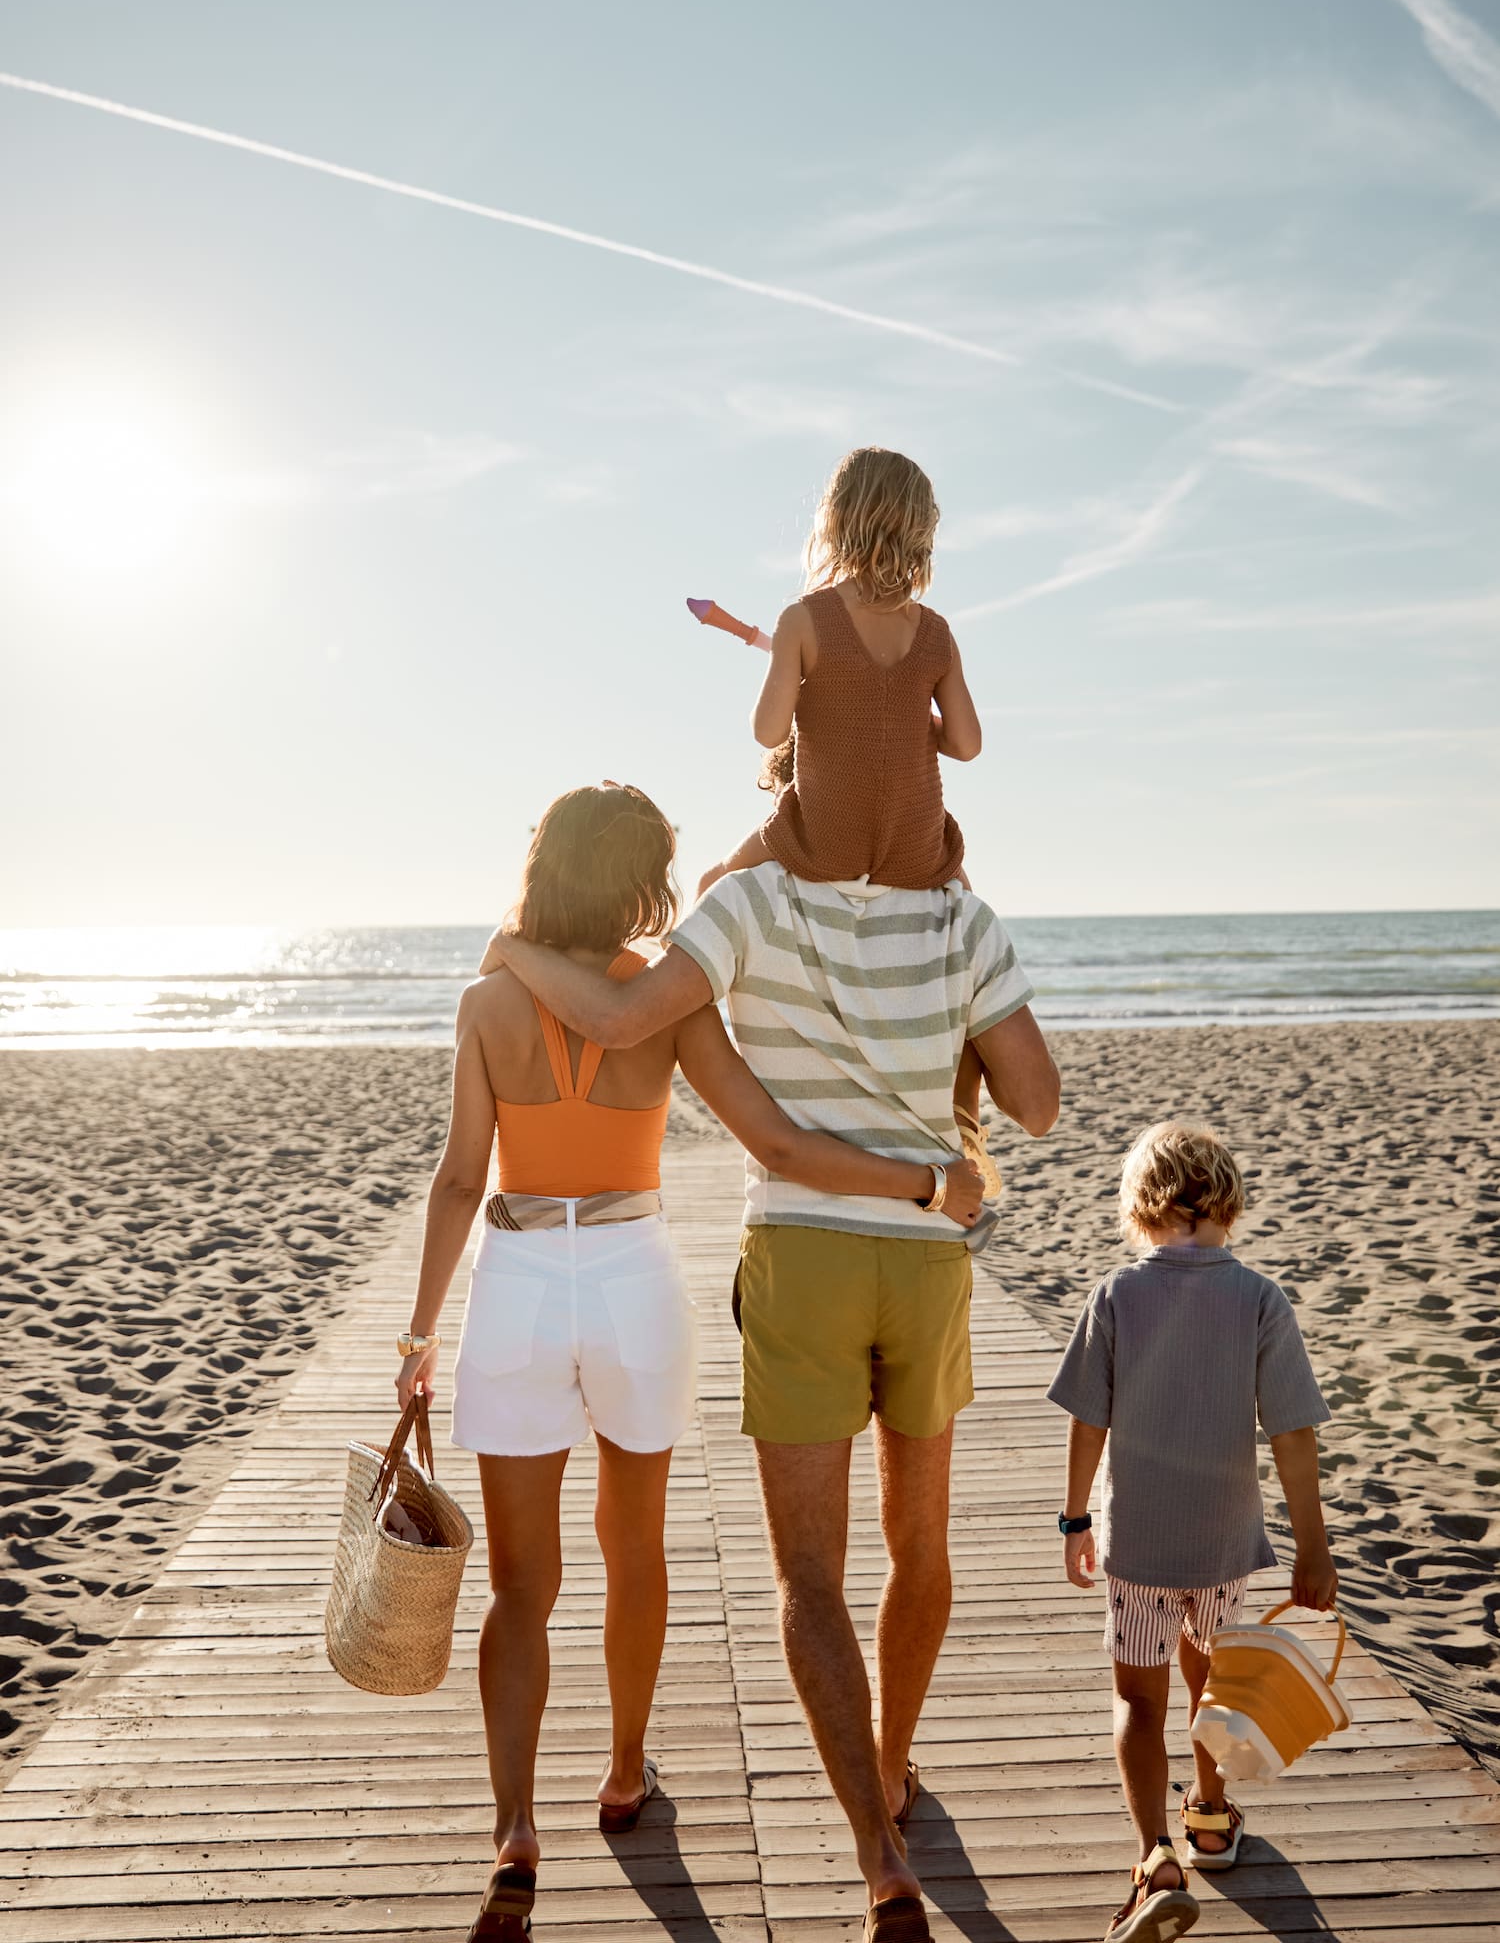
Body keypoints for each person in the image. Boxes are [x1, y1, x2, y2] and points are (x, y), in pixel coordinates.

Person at [395, 783, 984, 1943]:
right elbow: (769, 1136)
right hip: (631, 1277)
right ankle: (623, 1771)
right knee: (637, 1547)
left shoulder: (484, 1000)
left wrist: (417, 1339)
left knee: (523, 1585)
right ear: (639, 881)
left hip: (516, 1279)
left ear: (543, 866)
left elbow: (462, 1177)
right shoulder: (666, 994)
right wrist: (921, 1181)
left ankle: (514, 1829)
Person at [1047, 1122, 1337, 1943]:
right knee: (1214, 1680)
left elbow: (1086, 1421)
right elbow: (1292, 1432)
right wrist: (1311, 1547)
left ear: (1139, 1207)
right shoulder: (1258, 1298)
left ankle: (1155, 1860)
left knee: (1138, 1700)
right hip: (1221, 1541)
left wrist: (1075, 1518)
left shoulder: (1115, 1295)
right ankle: (1209, 1815)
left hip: (1136, 1539)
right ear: (1228, 1204)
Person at [694, 445, 992, 1180]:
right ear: (923, 530)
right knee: (974, 949)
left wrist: (815, 693)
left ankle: (769, 1056)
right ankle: (964, 1119)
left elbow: (768, 733)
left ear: (834, 523)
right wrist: (896, 718)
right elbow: (967, 743)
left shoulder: (804, 618)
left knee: (709, 884)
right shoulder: (936, 632)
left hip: (820, 841)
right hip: (919, 855)